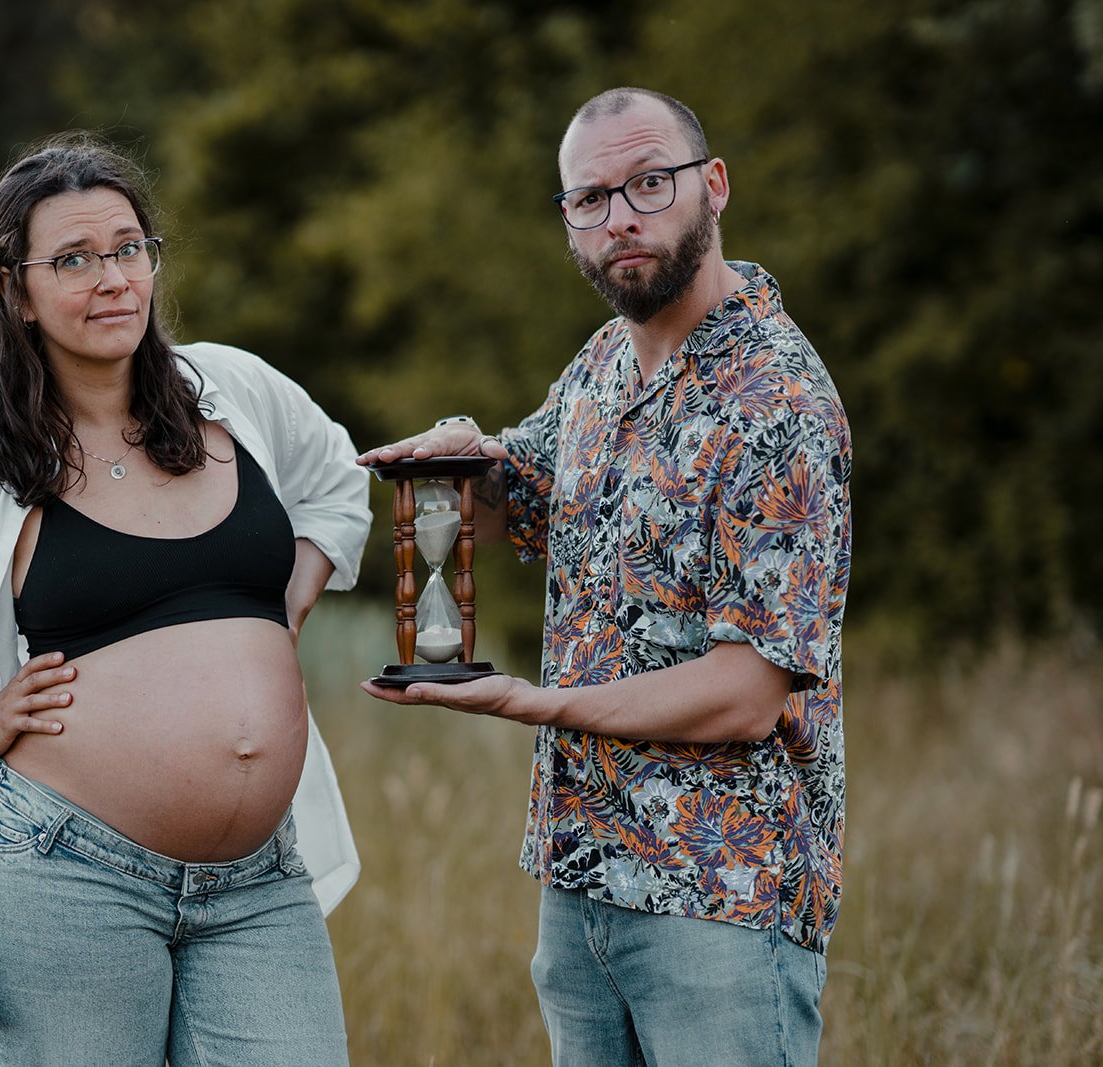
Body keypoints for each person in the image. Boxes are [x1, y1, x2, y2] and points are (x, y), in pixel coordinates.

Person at [0, 134, 369, 1066]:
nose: (113, 280)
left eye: (129, 248)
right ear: (17, 290)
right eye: (75, 260)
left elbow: (336, 481)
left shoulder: (235, 393)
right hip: (67, 877)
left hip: (258, 879)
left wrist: (279, 613)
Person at [359, 87, 852, 1066]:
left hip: (718, 890)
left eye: (646, 183)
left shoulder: (777, 397)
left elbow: (747, 693)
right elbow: (532, 499)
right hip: (580, 878)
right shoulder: (601, 367)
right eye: (588, 198)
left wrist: (534, 702)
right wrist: (462, 470)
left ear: (711, 186)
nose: (619, 216)